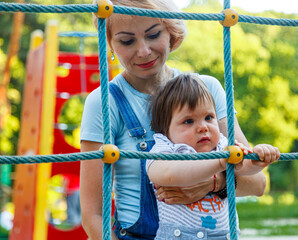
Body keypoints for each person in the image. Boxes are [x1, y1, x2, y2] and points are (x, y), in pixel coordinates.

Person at [80, 0, 280, 239]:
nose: (143, 50)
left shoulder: (207, 89)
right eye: (127, 41)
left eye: (153, 35)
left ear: (171, 33)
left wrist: (212, 183)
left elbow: (258, 183)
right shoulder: (105, 101)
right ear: (109, 44)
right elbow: (93, 215)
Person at [146, 74, 279, 239]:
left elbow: (243, 168)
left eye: (209, 117)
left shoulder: (222, 146)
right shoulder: (164, 150)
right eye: (188, 121)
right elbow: (170, 175)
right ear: (165, 130)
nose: (203, 127)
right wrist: (219, 163)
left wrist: (257, 159)